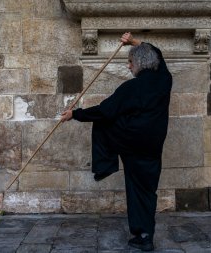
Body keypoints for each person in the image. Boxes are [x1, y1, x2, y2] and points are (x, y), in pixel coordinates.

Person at [61, 32, 172, 251]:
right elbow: (156, 52)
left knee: (104, 123)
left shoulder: (131, 88)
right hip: (153, 146)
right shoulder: (164, 79)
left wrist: (75, 114)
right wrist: (133, 42)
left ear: (139, 63)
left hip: (132, 145)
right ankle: (146, 235)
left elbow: (104, 110)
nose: (129, 67)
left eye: (130, 62)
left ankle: (104, 165)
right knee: (148, 190)